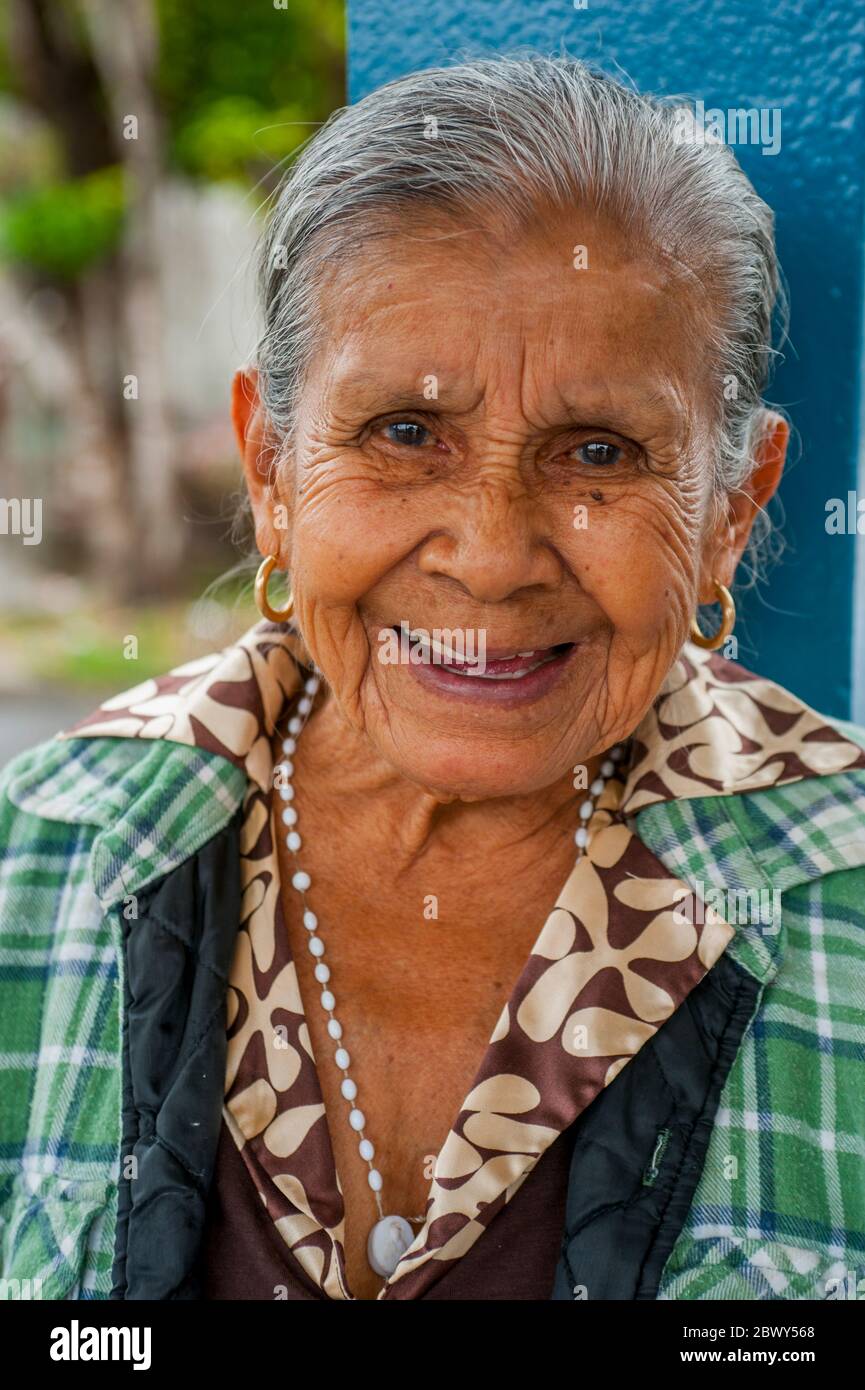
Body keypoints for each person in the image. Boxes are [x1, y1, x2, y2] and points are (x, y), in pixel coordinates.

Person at [1, 55, 864, 1303]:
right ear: (270, 467)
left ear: (732, 507)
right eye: (405, 433)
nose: (492, 555)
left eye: (599, 450)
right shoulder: (40, 855)